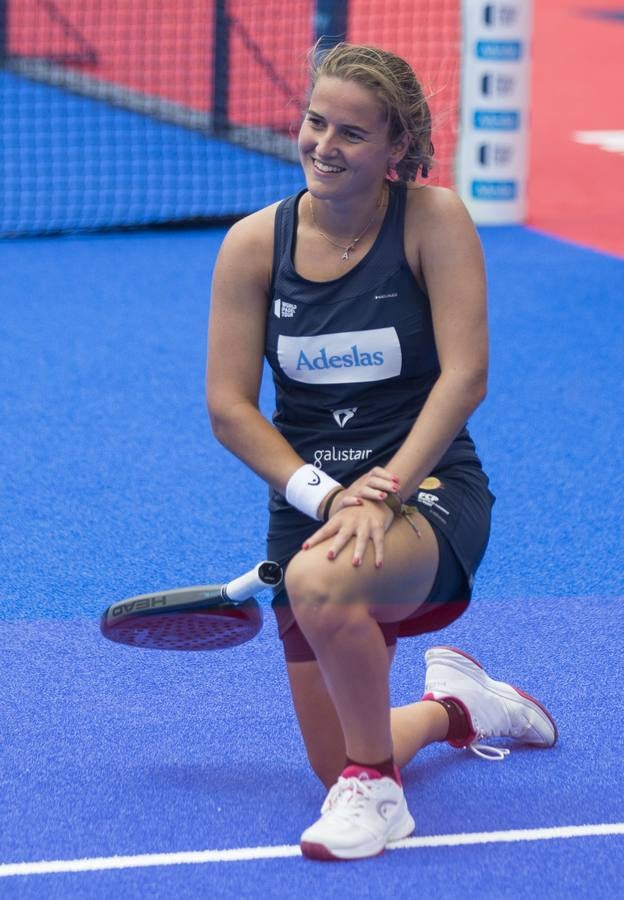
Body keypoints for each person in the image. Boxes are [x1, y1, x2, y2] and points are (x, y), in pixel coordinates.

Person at [206, 42, 556, 861]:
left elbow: (465, 377)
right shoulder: (254, 245)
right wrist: (330, 498)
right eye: (315, 122)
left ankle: (380, 795)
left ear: (398, 145)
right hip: (312, 503)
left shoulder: (433, 221)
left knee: (318, 585)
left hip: (427, 487)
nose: (324, 146)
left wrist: (386, 490)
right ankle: (459, 707)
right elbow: (228, 408)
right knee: (331, 762)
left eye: (352, 133)